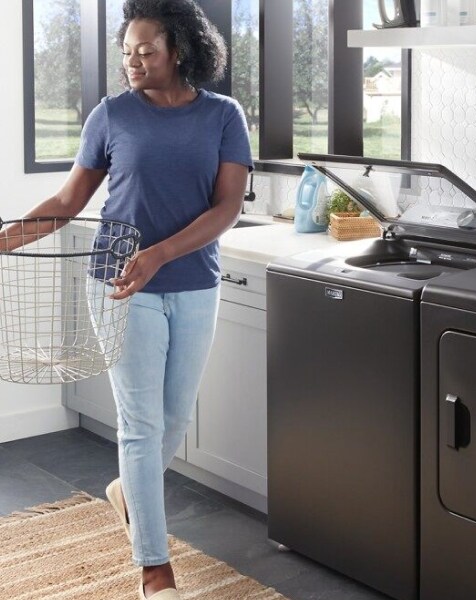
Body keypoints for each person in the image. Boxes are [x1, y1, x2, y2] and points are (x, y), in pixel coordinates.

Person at [1, 1, 252, 598]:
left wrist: (161, 254)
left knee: (173, 418)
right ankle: (154, 569)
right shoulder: (110, 115)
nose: (132, 62)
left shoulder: (223, 115)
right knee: (140, 427)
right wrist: (6, 238)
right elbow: (67, 201)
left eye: (146, 51)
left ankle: (124, 491)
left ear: (180, 51)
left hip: (193, 282)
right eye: (126, 52)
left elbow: (227, 208)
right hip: (117, 282)